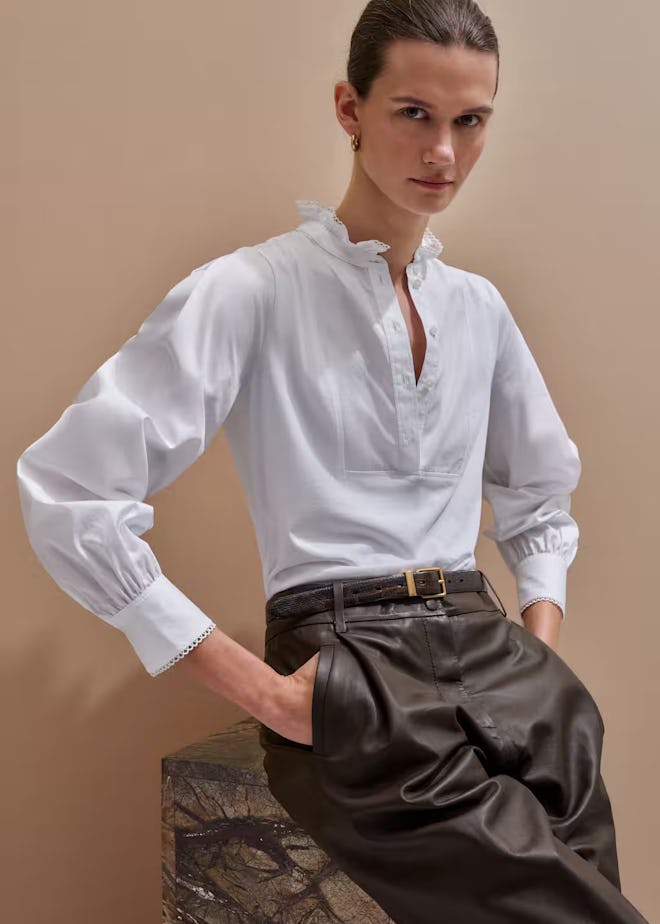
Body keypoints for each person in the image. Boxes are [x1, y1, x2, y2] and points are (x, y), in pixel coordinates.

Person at [16, 1, 649, 921]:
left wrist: (539, 650)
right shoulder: (252, 290)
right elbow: (70, 490)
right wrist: (269, 698)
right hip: (353, 653)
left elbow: (539, 496)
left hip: (498, 650)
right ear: (350, 108)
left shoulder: (479, 308)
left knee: (587, 894)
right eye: (414, 113)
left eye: (470, 120)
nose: (444, 151)